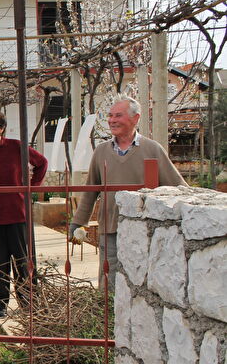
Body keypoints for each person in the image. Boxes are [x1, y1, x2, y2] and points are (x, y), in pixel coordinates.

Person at [70, 94, 186, 292]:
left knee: (143, 280)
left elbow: (178, 188)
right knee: (110, 281)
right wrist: (78, 222)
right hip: (110, 227)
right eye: (110, 115)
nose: (112, 120)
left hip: (144, 229)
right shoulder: (101, 151)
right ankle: (108, 318)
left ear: (136, 118)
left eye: (118, 115)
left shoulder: (152, 150)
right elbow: (91, 191)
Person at [0, 110, 48, 318]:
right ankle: (0, 305)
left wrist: (31, 187)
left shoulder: (17, 147)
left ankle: (28, 303)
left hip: (17, 213)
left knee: (22, 261)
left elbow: (42, 163)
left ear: (1, 129)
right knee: (0, 262)